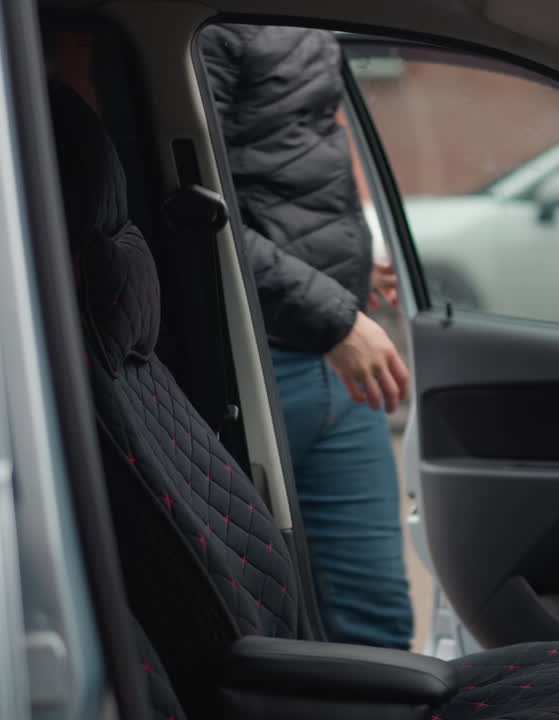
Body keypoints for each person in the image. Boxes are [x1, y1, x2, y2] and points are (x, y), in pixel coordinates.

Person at [200, 24, 414, 650]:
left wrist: (346, 265)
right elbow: (192, 201)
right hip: (254, 361)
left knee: (377, 627)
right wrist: (335, 317)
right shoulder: (209, 27)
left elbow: (294, 162)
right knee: (252, 624)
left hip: (339, 363)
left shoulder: (304, 22)